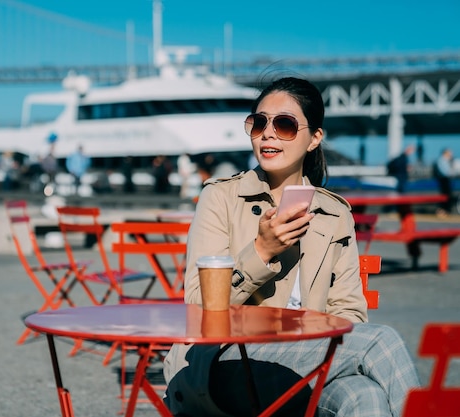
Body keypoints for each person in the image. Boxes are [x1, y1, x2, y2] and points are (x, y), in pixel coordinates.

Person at [163, 77, 420, 417]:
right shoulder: (221, 197)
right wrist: (262, 250)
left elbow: (350, 313)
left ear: (314, 139)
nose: (268, 133)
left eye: (284, 124)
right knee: (380, 341)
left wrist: (307, 338)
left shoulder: (334, 212)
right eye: (259, 123)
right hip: (226, 361)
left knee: (365, 396)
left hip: (306, 360)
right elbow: (198, 307)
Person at [433, 147, 454, 217]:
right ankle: (442, 211)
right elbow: (446, 172)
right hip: (443, 181)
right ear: (445, 153)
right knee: (444, 196)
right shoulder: (442, 160)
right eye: (450, 152)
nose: (451, 154)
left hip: (445, 181)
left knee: (447, 196)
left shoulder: (446, 160)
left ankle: (444, 211)